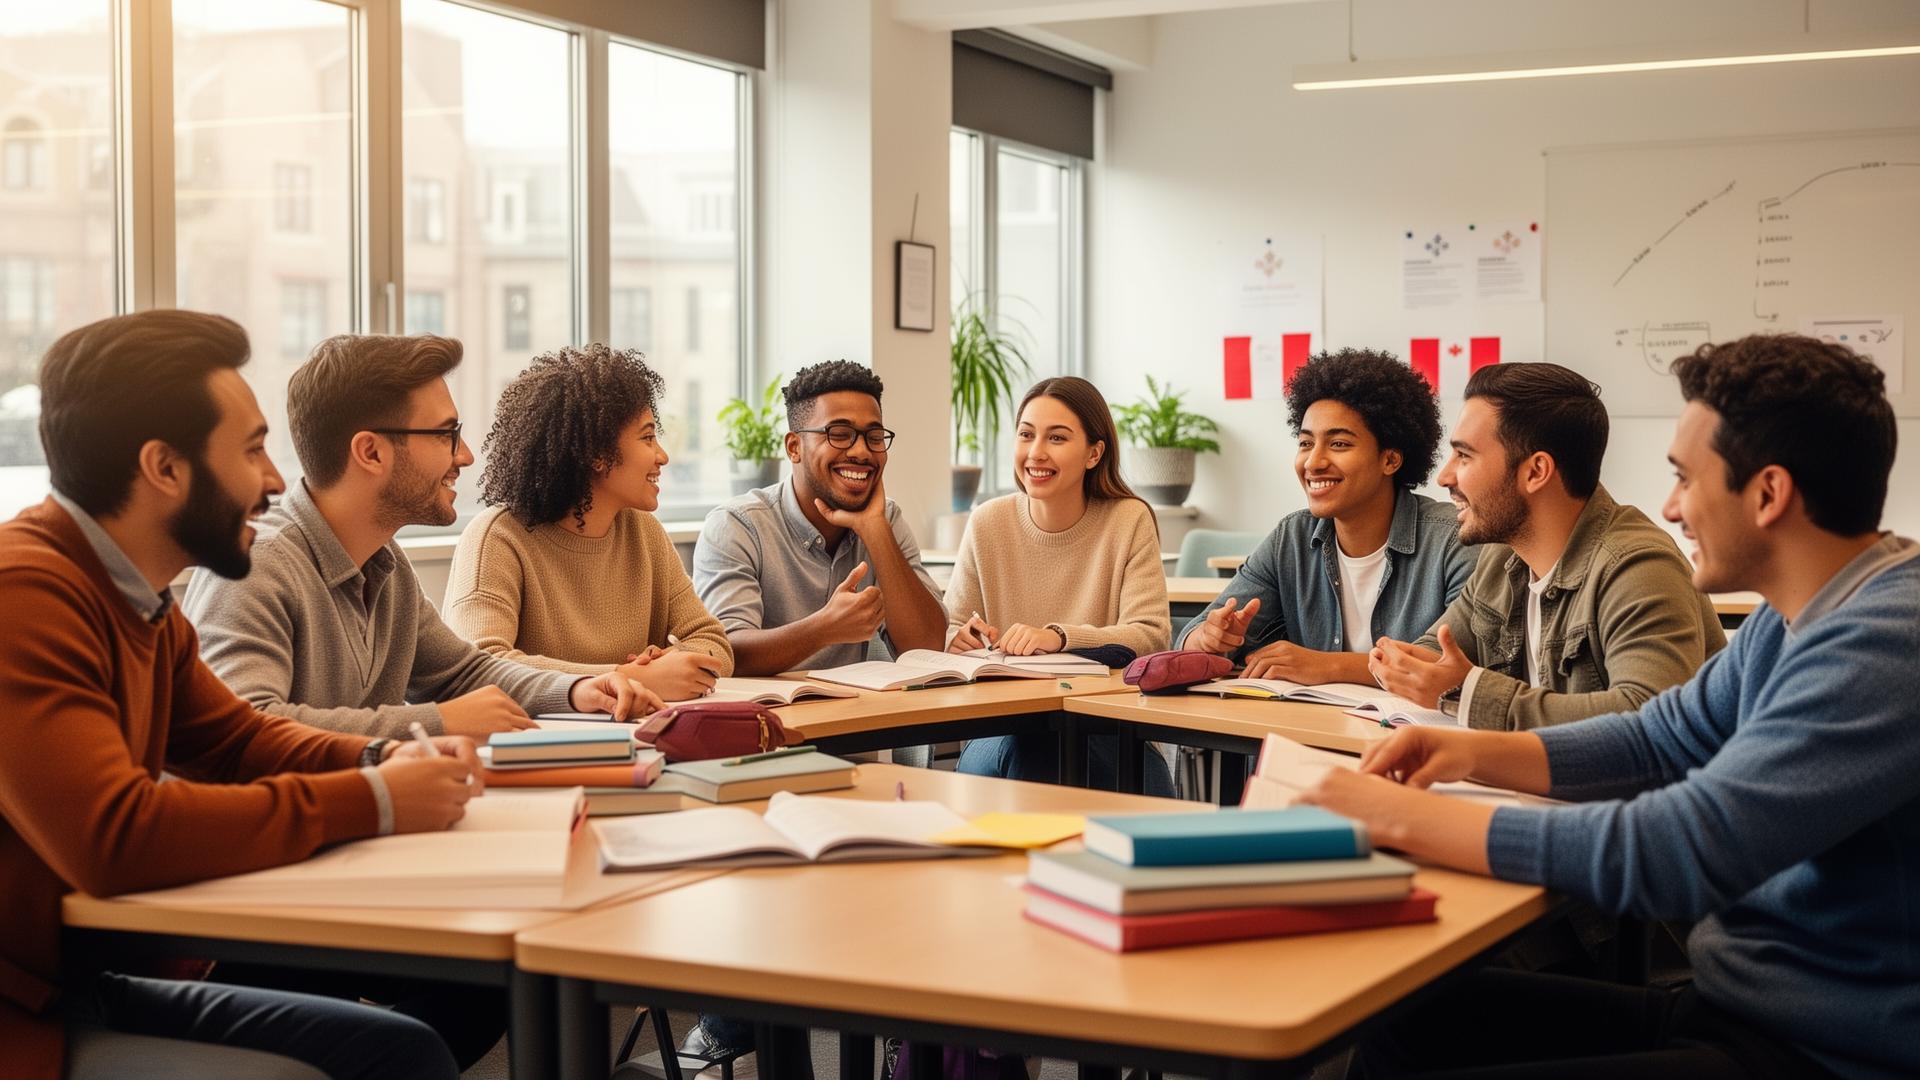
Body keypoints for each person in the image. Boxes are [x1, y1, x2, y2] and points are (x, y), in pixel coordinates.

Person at [1301, 334, 1915, 1078]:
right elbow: (1659, 738)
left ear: (1768, 493)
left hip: (1826, 1052)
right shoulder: (1797, 619)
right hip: (1736, 1008)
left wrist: (1403, 816)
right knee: (1406, 1019)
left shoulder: (1887, 640)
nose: (1670, 506)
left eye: (1686, 478)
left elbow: (1682, 848)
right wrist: (1464, 751)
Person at [0, 311, 477, 1080]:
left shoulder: (143, 601)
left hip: (83, 987)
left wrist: (386, 757)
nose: (277, 479)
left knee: (401, 1050)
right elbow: (113, 836)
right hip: (23, 1019)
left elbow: (238, 742)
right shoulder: (25, 593)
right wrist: (377, 800)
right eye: (252, 450)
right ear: (165, 468)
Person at [183, 333, 652, 741]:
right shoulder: (256, 567)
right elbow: (247, 725)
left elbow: (461, 673)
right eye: (446, 434)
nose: (466, 455)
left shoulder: (383, 562)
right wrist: (437, 723)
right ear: (370, 452)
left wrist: (576, 690)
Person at [1369, 362, 1724, 730]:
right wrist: (1406, 665)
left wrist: (1465, 692)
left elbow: (1648, 720)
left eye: (1464, 455)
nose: (1444, 476)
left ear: (1536, 472)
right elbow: (1435, 652)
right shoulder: (1504, 555)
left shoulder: (1639, 568)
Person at [445, 344, 732, 702]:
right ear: (597, 454)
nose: (662, 455)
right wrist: (626, 677)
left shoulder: (644, 532)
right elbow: (483, 666)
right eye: (647, 437)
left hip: (637, 734)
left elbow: (713, 641)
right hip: (537, 748)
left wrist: (671, 663)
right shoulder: (498, 538)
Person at [1179, 348, 1474, 683]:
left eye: (1339, 445)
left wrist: (1328, 666)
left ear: (1390, 460)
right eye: (1306, 444)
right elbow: (1189, 637)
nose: (1313, 462)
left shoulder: (1454, 538)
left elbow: (1452, 663)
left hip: (1414, 733)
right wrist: (1209, 638)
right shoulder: (1291, 539)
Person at [944, 376, 1172, 792]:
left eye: (1057, 438)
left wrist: (1059, 638)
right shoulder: (987, 523)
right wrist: (958, 639)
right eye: (1026, 435)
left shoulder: (1129, 520)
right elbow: (948, 630)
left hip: (1110, 732)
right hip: (1001, 731)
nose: (1036, 453)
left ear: (1094, 453)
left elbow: (1151, 636)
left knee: (1042, 754)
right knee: (1031, 749)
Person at [693, 360, 946, 676]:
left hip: (859, 716)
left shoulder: (886, 519)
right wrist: (824, 628)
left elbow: (928, 647)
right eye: (839, 434)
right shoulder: (737, 526)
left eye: (874, 436)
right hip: (768, 720)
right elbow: (725, 653)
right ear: (794, 447)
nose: (862, 451)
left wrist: (875, 529)